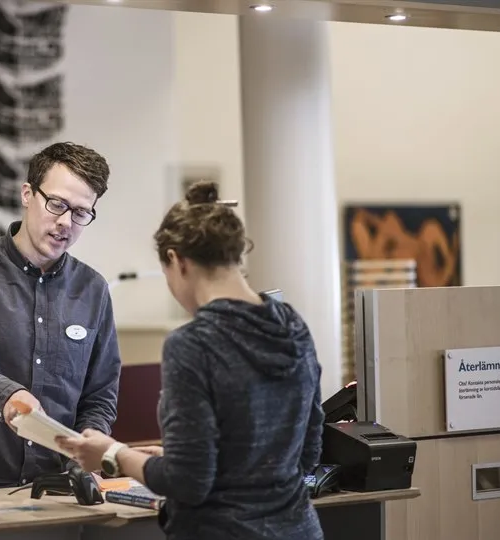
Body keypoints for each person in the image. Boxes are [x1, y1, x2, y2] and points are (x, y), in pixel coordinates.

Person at [57, 181, 325, 540]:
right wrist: (179, 454)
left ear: (176, 260)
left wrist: (113, 454)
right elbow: (306, 455)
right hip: (298, 529)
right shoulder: (294, 327)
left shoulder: (192, 344)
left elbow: (187, 482)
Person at [0, 142, 122, 489]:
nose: (65, 222)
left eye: (80, 213)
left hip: (54, 487)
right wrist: (7, 397)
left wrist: (88, 449)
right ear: (28, 194)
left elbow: (100, 394)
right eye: (57, 204)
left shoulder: (93, 289)